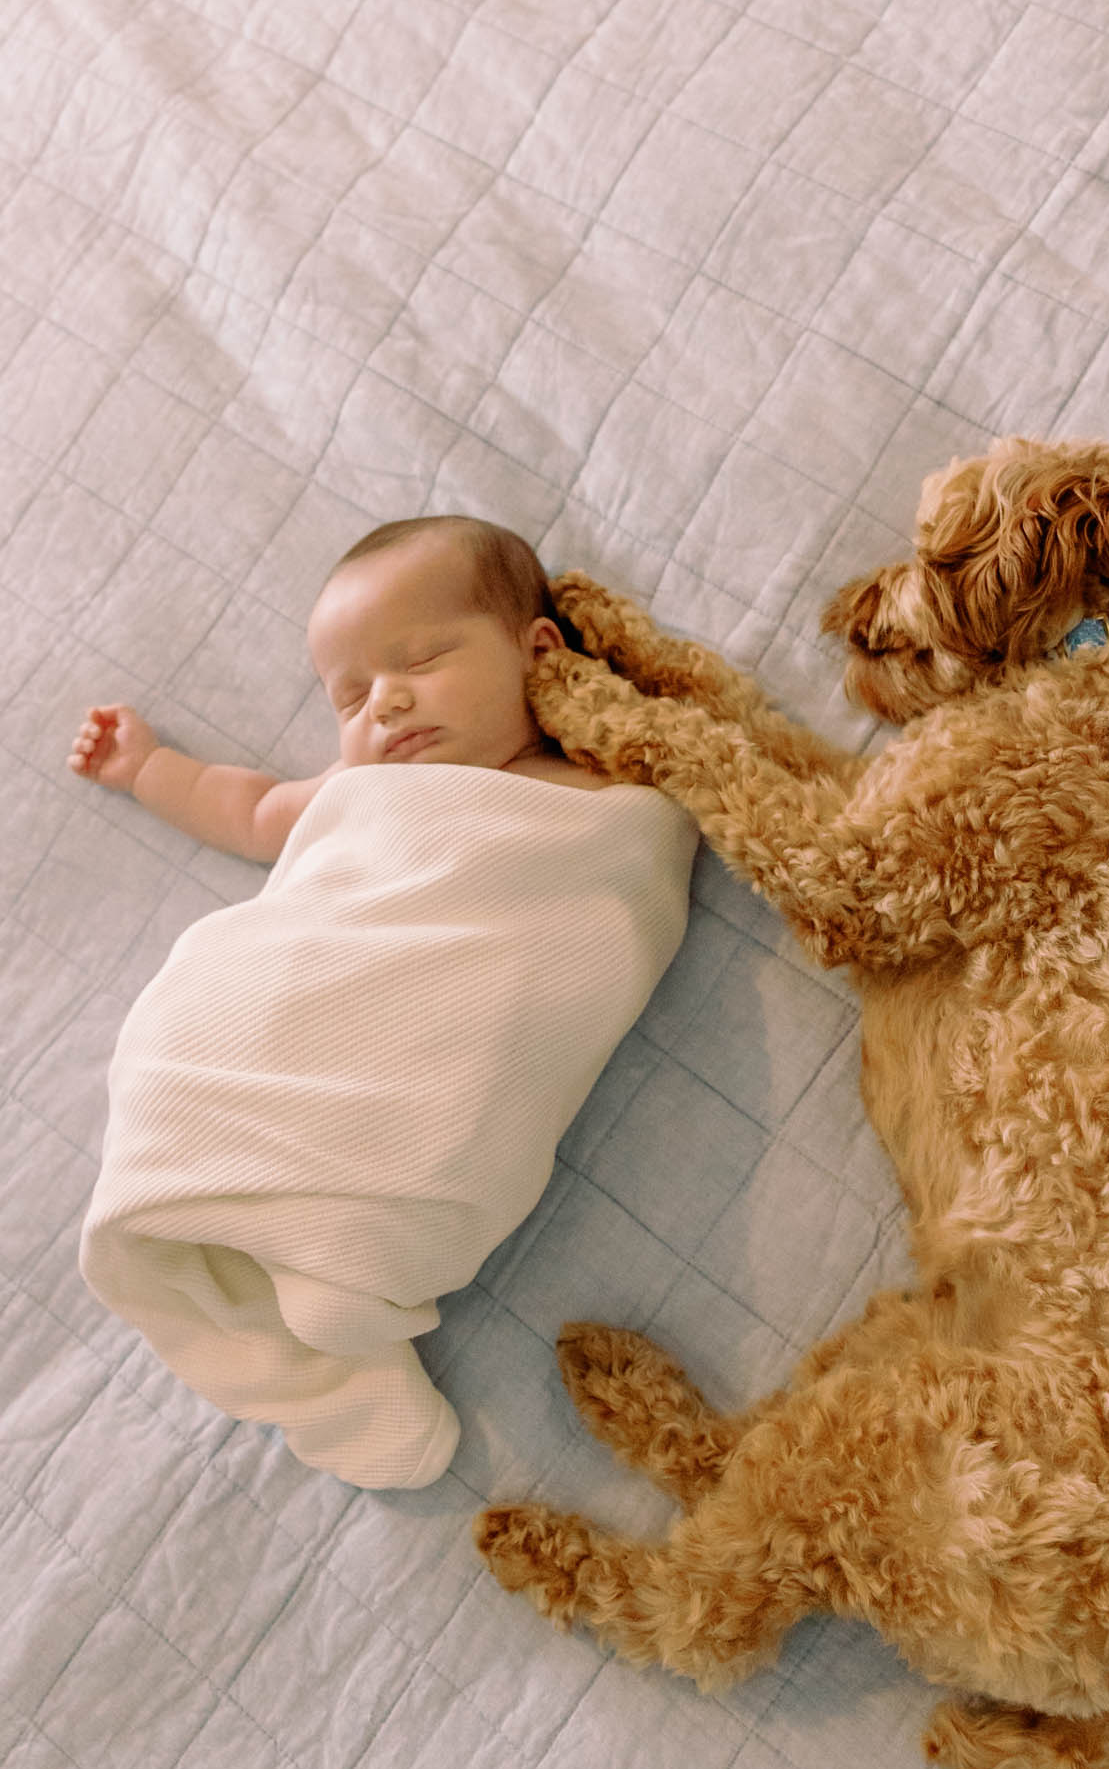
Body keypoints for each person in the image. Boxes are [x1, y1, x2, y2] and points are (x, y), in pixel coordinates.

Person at [72, 518, 696, 1489]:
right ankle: (280, 1268)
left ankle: (336, 1298)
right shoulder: (352, 786)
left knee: (457, 1098)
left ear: (538, 650)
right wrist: (147, 767)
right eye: (350, 695)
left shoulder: (594, 784)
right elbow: (246, 810)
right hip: (290, 1005)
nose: (385, 703)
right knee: (172, 1039)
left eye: (423, 659)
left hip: (458, 1021)